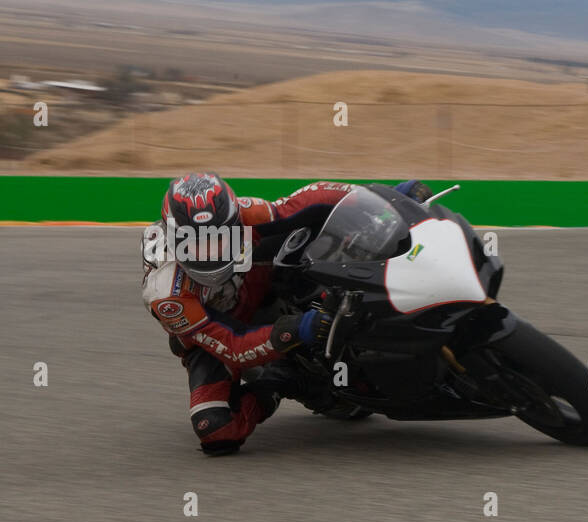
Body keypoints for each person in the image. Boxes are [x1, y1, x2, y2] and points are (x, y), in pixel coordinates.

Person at [141, 172, 432, 455]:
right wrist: (301, 328)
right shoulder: (168, 295)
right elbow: (232, 345)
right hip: (214, 333)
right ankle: (281, 381)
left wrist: (385, 196)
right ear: (174, 240)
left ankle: (356, 290)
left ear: (232, 223)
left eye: (218, 239)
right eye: (196, 243)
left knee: (308, 224)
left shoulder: (244, 213)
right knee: (217, 429)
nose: (210, 253)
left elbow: (307, 199)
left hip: (256, 283)